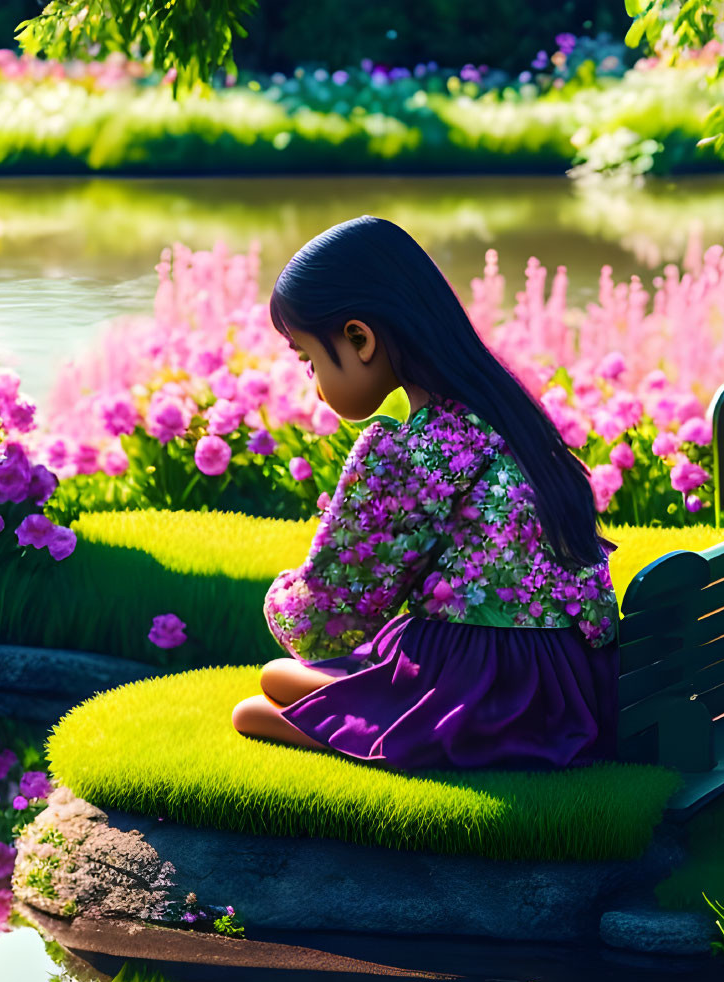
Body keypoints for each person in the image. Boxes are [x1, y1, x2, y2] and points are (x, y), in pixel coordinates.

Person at [231, 216, 620, 770]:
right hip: (568, 680)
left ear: (360, 339)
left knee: (254, 705)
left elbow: (327, 621)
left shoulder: (413, 450)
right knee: (282, 678)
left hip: (478, 691)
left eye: (310, 360)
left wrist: (280, 595)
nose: (313, 384)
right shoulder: (510, 417)